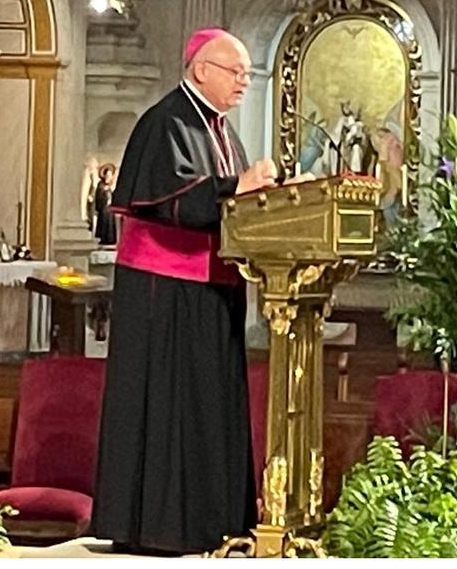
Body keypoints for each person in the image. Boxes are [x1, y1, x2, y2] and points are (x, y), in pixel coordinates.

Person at [90, 28, 288, 556]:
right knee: (171, 409)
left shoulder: (221, 128)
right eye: (236, 72)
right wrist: (234, 187)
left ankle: (213, 523)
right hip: (166, 294)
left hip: (211, 290)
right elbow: (171, 200)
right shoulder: (166, 121)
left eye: (248, 73)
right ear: (202, 69)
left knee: (209, 408)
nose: (245, 81)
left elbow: (228, 206)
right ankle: (160, 529)